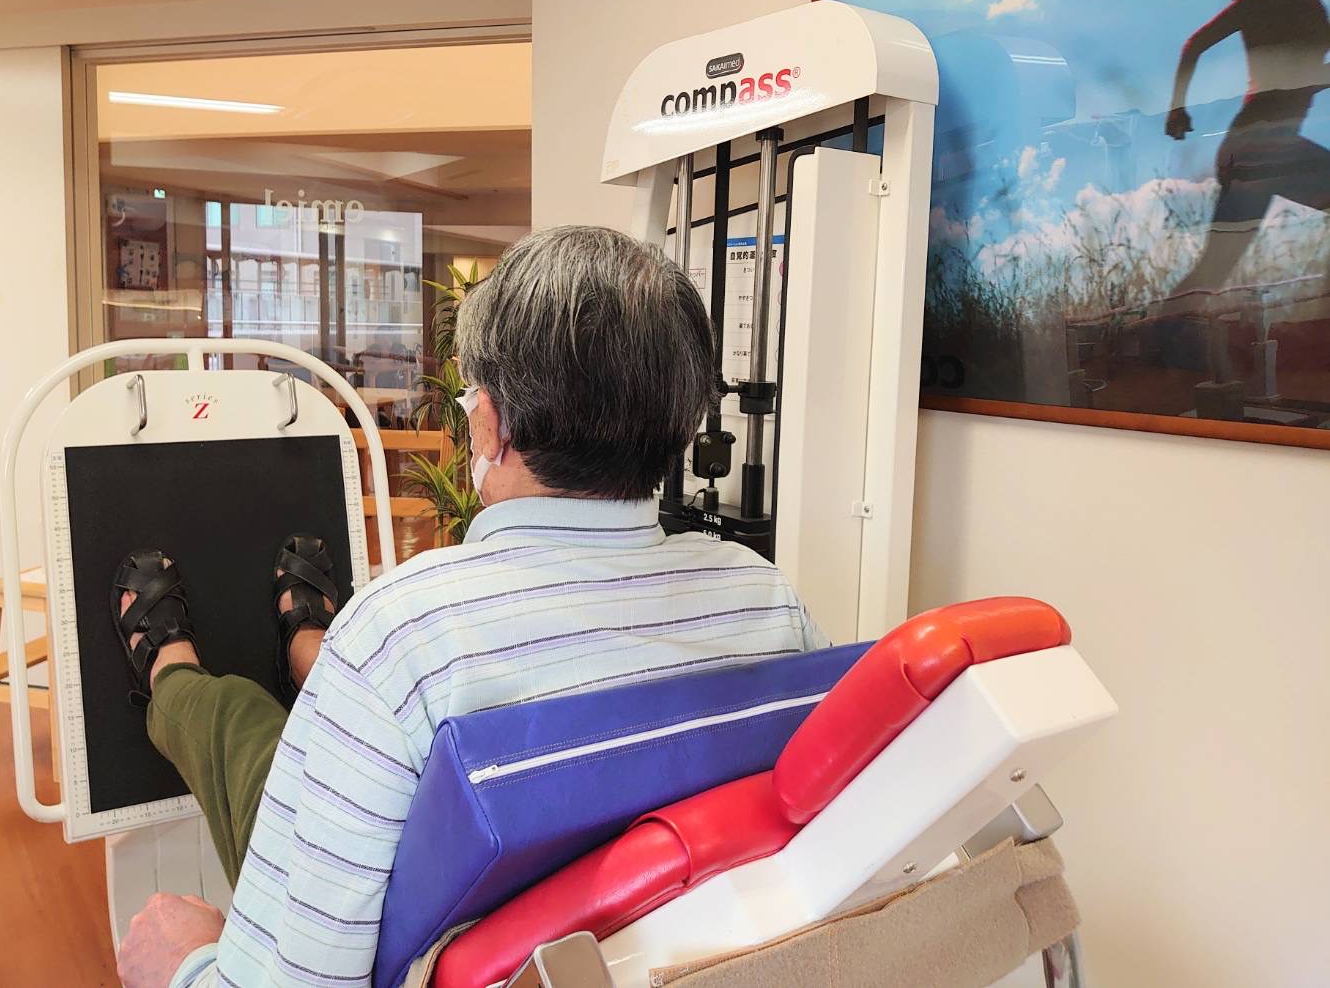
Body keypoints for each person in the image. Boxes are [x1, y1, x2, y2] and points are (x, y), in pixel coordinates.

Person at [111, 225, 825, 988]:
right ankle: (306, 650)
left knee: (239, 720)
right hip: (669, 948)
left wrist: (185, 965)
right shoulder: (763, 597)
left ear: (489, 424)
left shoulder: (402, 630)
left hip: (415, 935)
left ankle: (175, 672)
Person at [1165, 0, 1330, 298]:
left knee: (1214, 269)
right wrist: (1176, 108)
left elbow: (1307, 77)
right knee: (1215, 267)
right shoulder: (1265, 0)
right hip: (1261, 144)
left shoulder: (1308, 6)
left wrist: (1178, 108)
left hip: (1254, 149)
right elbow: (1194, 45)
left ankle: (1160, 329)